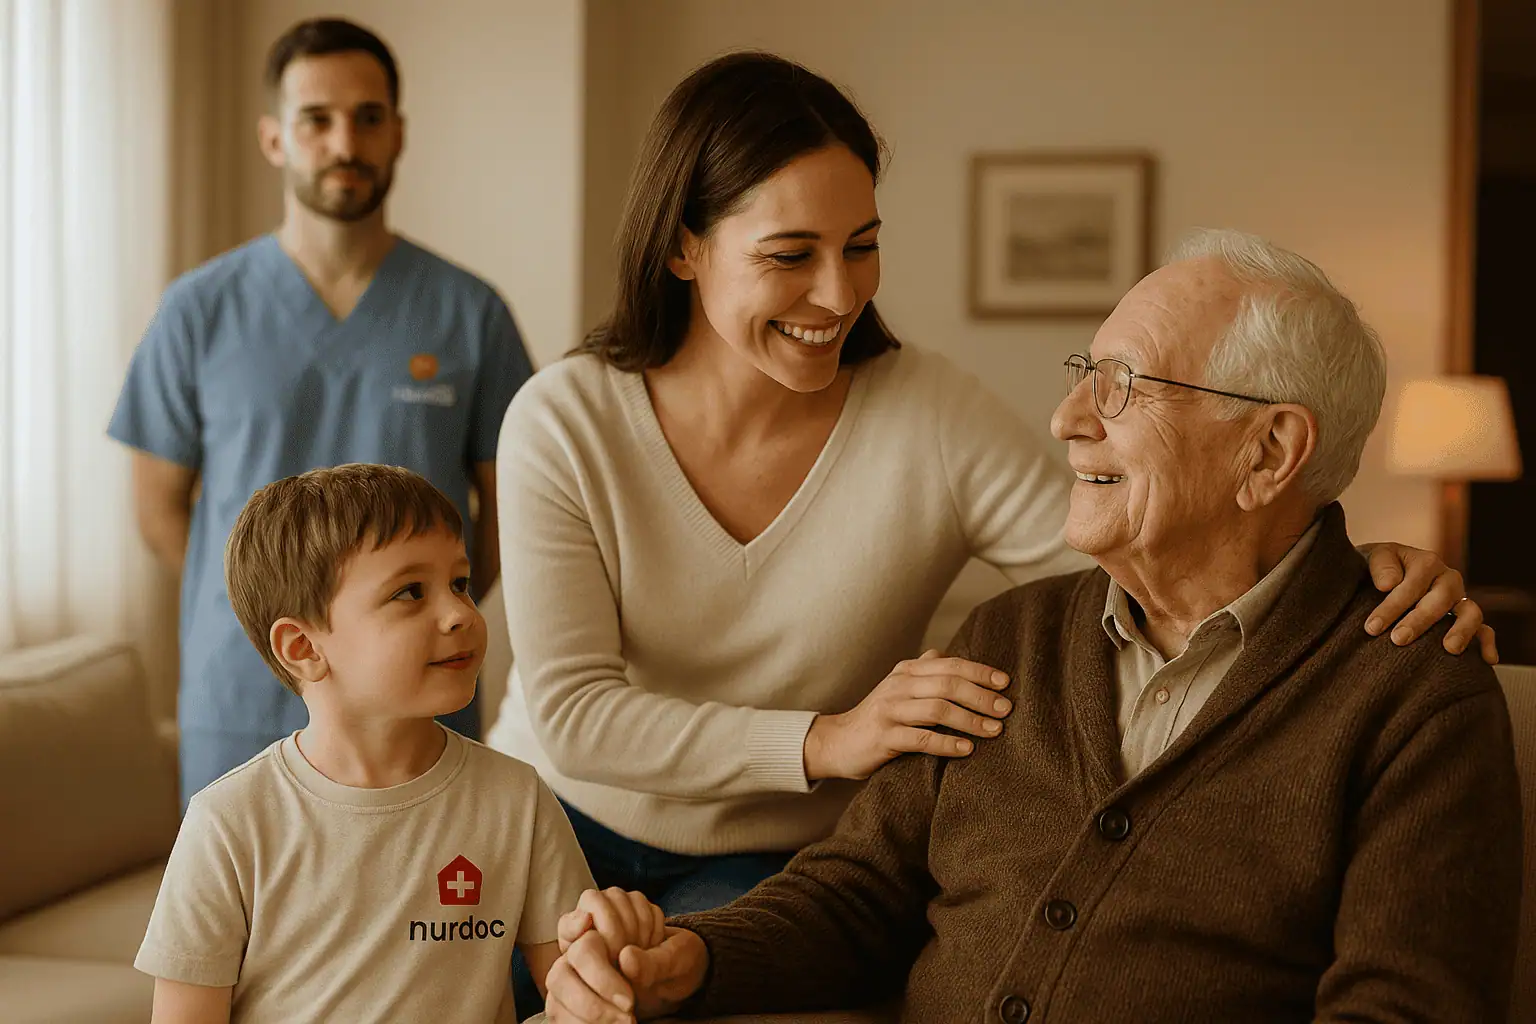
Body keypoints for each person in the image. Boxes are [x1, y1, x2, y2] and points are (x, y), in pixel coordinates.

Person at [492, 51, 1496, 1017]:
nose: (840, 294)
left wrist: (1345, 568)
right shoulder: (567, 419)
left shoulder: (929, 421)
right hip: (562, 810)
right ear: (684, 248)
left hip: (767, 850)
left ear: (1272, 449)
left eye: (861, 245)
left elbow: (1157, 546)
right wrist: (832, 737)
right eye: (791, 255)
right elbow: (577, 710)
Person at [109, 17, 534, 806]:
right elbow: (159, 510)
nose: (346, 142)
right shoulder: (198, 311)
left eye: (368, 118)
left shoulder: (470, 313)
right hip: (241, 694)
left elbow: (509, 507)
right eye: (317, 119)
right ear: (275, 139)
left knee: (430, 885)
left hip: (417, 694)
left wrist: (408, 617)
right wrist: (275, 605)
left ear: (398, 133)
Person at [134, 464, 615, 1023]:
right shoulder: (229, 824)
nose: (460, 614)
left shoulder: (519, 799)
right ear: (303, 648)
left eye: (460, 583)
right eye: (410, 592)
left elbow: (579, 994)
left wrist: (621, 960)